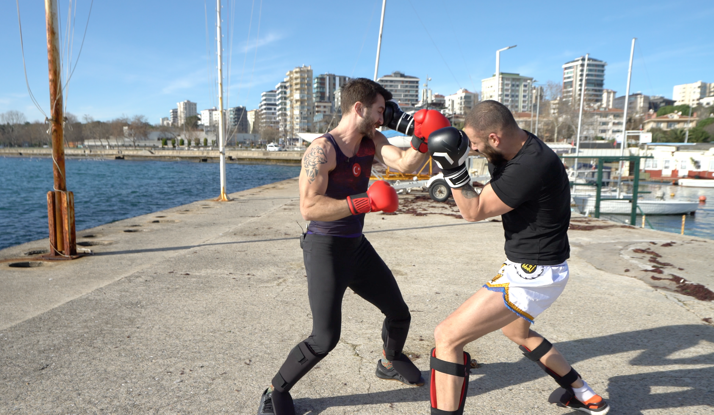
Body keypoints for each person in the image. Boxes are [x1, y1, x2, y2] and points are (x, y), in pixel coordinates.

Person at [257, 78, 451, 415]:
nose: (383, 118)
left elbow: (404, 165)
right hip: (324, 248)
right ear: (358, 108)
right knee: (324, 338)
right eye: (379, 110)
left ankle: (389, 362)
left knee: (399, 313)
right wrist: (363, 202)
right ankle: (275, 390)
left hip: (355, 246)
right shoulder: (322, 149)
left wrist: (423, 140)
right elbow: (310, 208)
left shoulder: (370, 140)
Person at [425, 100, 610, 415]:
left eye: (479, 145)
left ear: (495, 138)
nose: (475, 150)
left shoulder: (530, 165)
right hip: (537, 266)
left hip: (533, 273)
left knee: (447, 336)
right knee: (516, 331)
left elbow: (474, 210)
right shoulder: (514, 147)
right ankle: (583, 393)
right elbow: (493, 192)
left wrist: (453, 169)